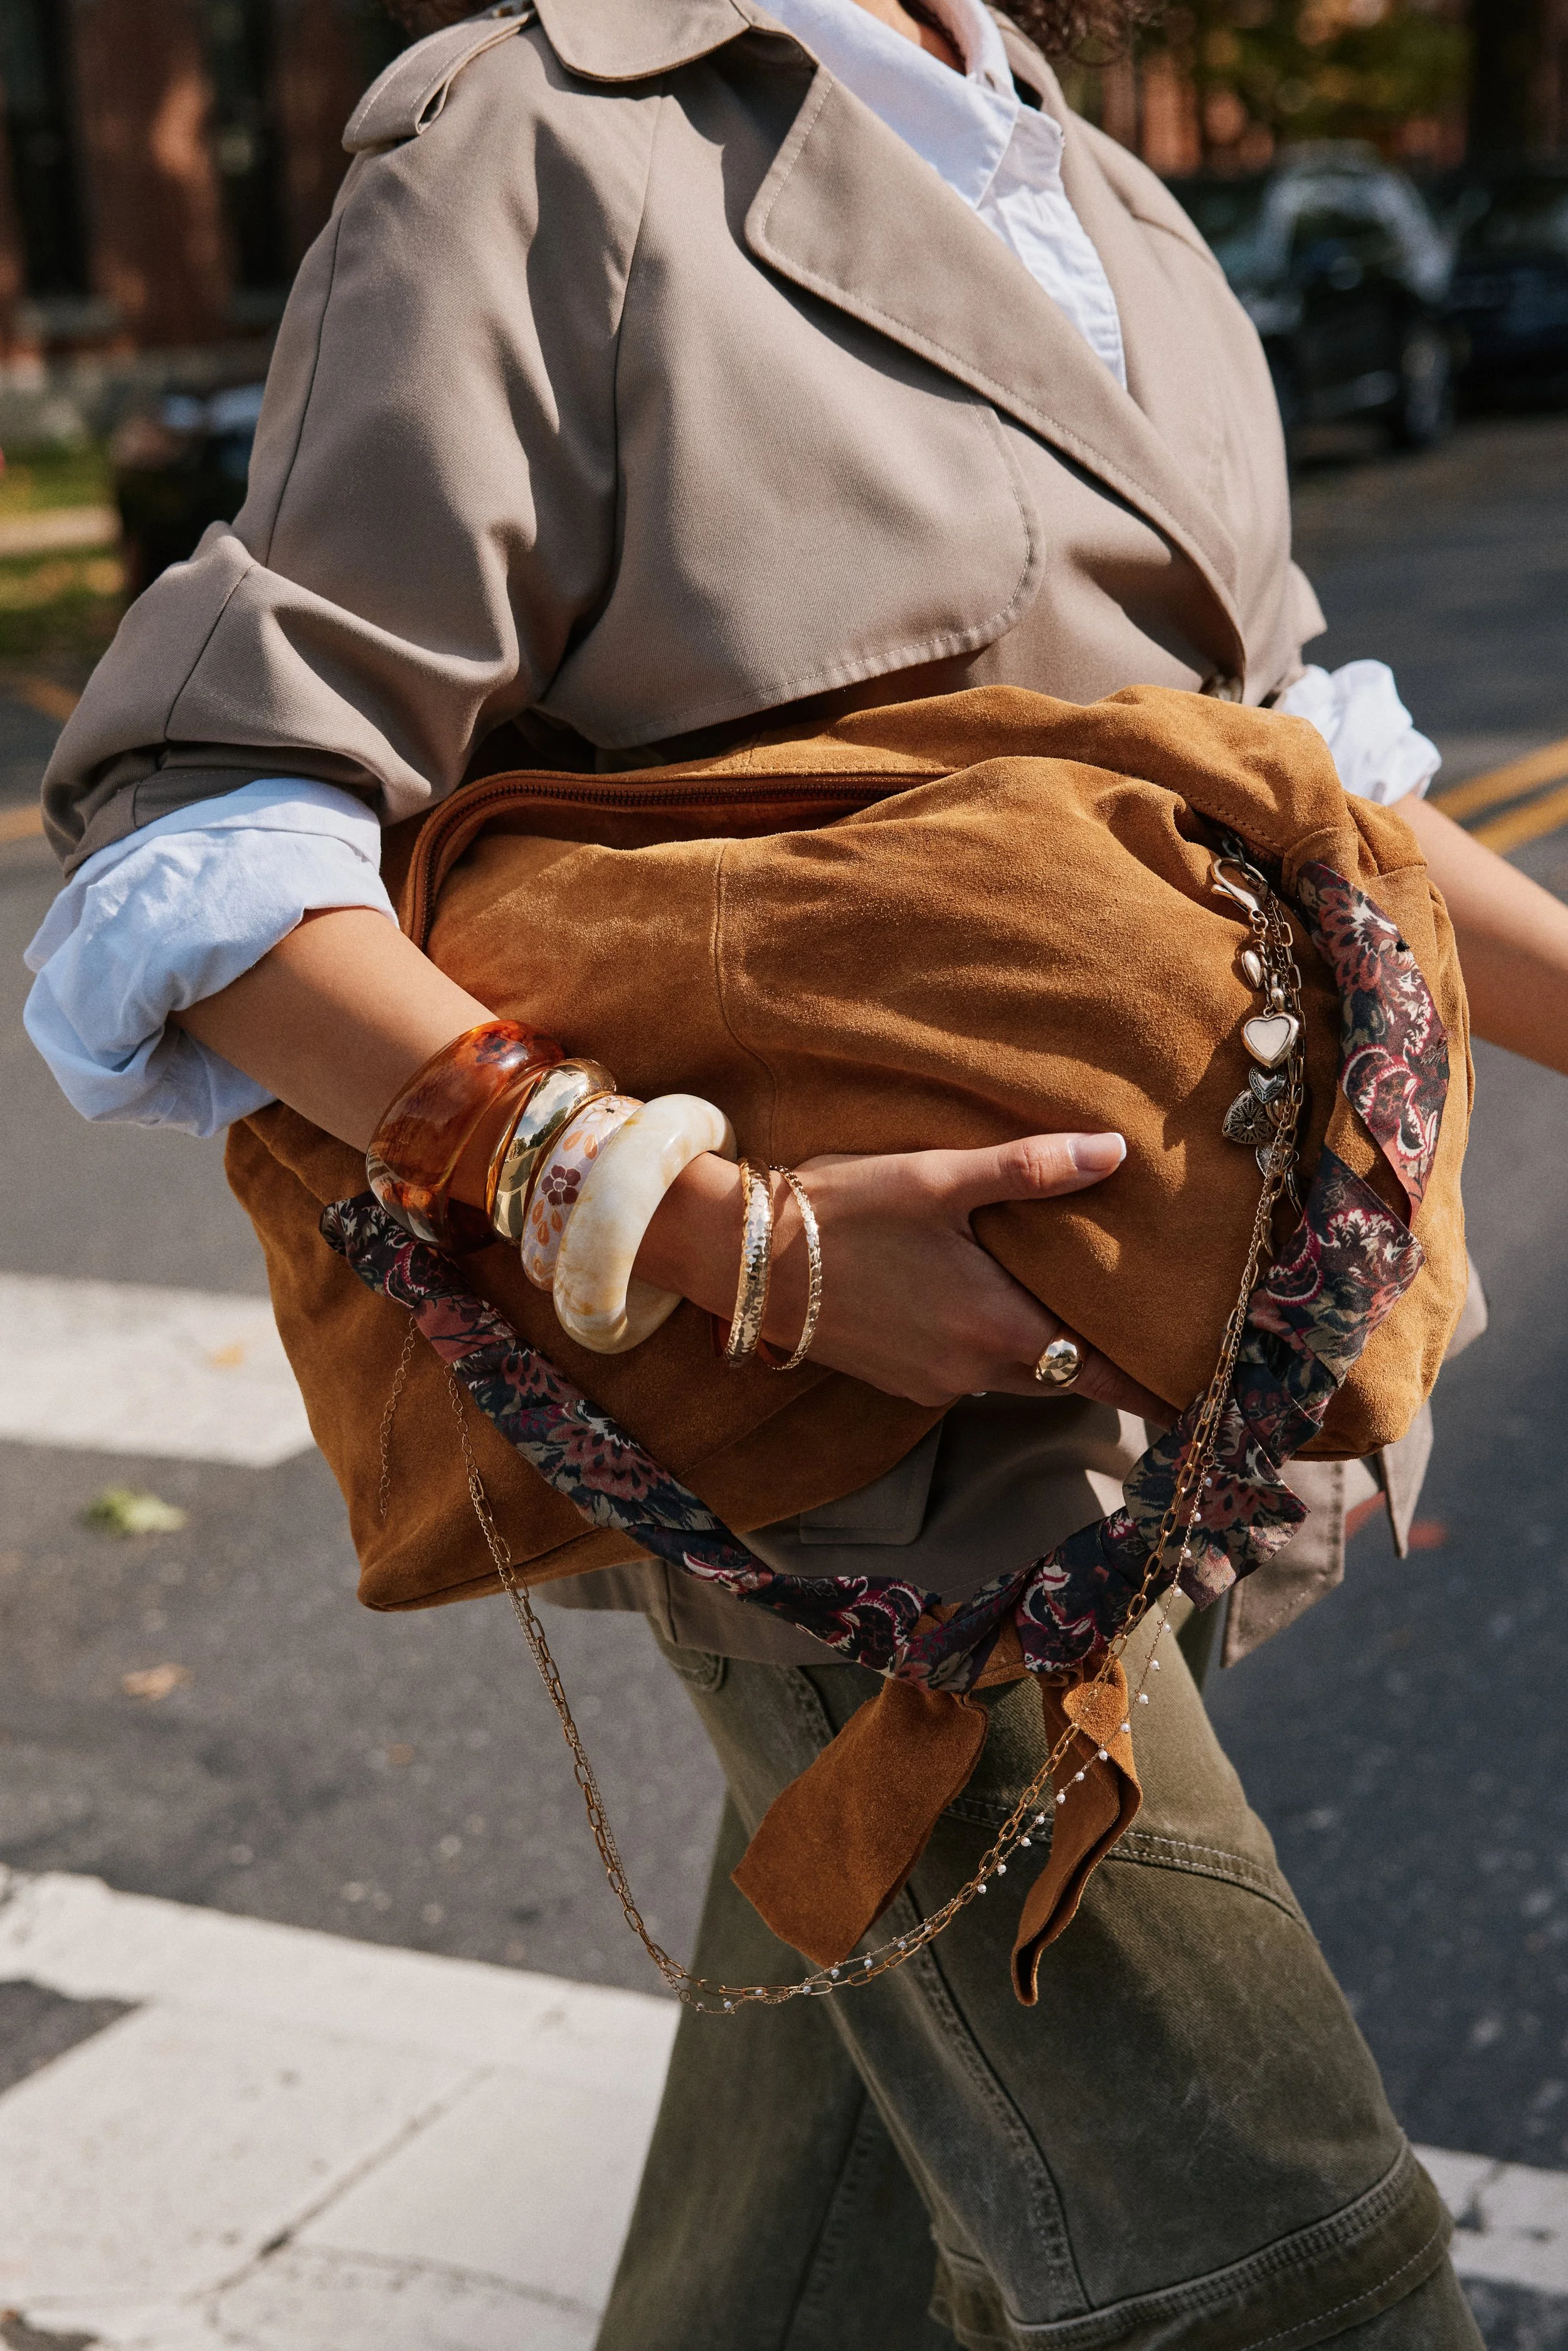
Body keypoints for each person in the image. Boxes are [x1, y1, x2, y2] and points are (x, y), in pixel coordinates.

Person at [22, 0, 1568, 2342]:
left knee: (800, 2268)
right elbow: (207, 830)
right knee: (1290, 2273)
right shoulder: (538, 136)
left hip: (1169, 1406)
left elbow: (1303, 791)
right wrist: (711, 1238)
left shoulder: (1112, 200)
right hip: (852, 1485)